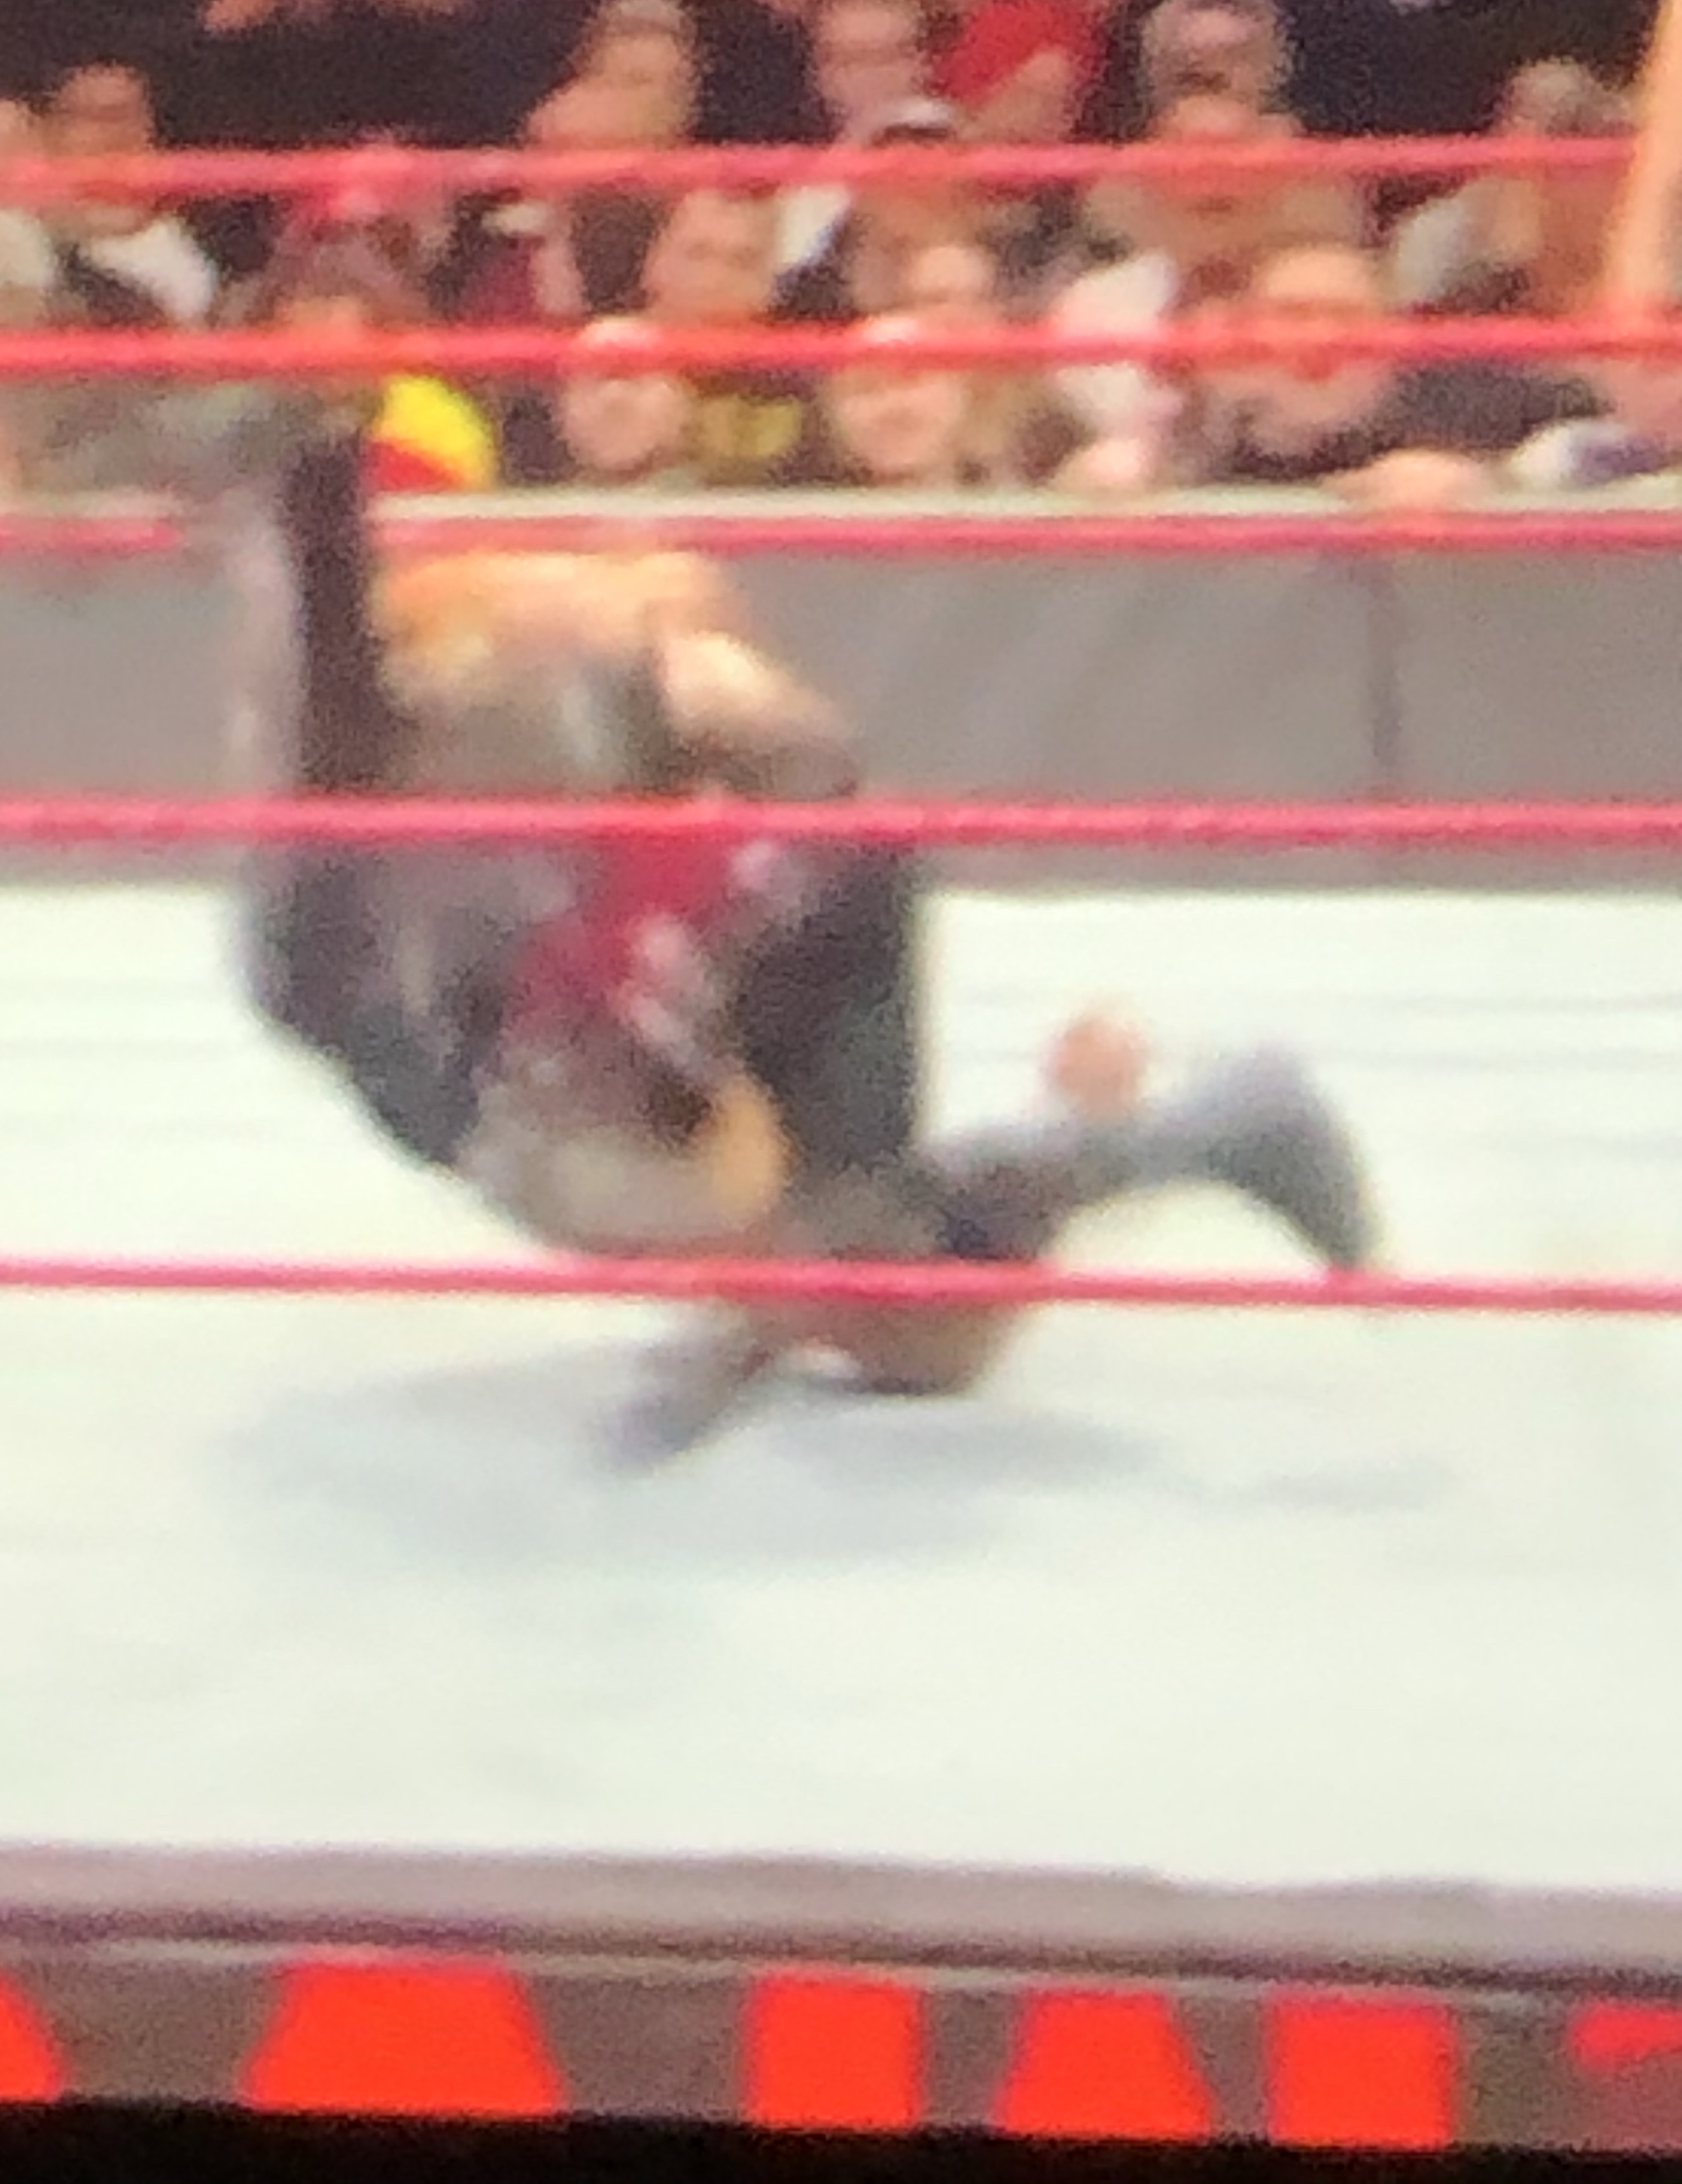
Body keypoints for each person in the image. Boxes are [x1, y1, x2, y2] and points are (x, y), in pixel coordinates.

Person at [174, 404, 1379, 1461]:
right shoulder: (446, 772)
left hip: (695, 949)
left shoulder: (695, 770)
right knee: (900, 1314)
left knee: (902, 1315)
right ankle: (1171, 1135)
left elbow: (805, 799)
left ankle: (1168, 1137)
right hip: (497, 984)